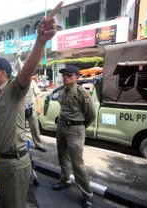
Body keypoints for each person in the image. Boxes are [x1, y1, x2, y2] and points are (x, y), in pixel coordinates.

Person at [0, 11, 58, 208]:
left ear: (3, 74)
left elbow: (26, 71)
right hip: (0, 161)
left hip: (14, 164)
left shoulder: (13, 90)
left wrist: (40, 42)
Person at [52, 65, 96, 208]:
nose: (65, 77)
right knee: (62, 157)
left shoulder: (82, 93)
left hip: (75, 129)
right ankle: (65, 181)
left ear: (77, 77)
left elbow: (91, 115)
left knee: (78, 164)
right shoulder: (62, 91)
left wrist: (79, 126)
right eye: (64, 74)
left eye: (69, 74)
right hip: (62, 126)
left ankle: (87, 195)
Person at [25, 75, 46, 152]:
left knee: (35, 127)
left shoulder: (32, 83)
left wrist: (39, 107)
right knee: (20, 129)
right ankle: (22, 145)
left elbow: (37, 95)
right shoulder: (17, 82)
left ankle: (39, 145)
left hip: (30, 107)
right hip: (20, 109)